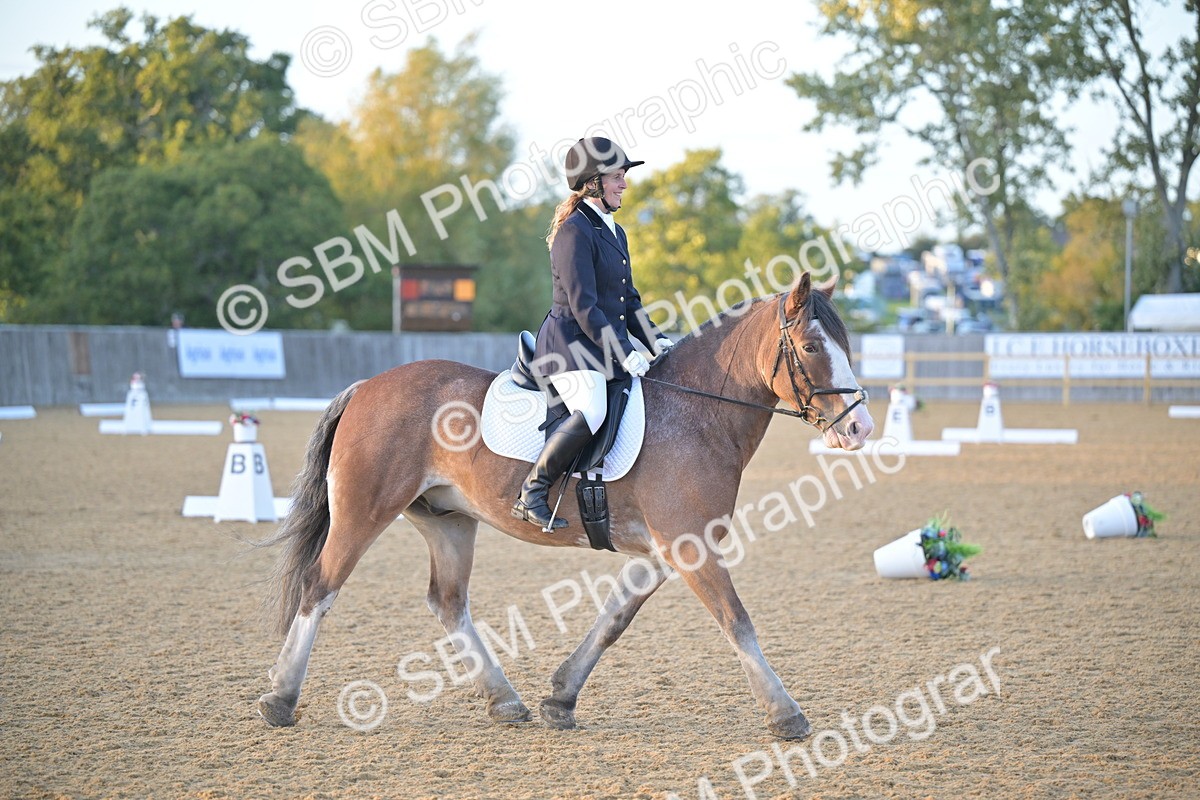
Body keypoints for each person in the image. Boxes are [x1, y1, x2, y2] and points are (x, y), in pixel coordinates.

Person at [511, 137, 673, 530]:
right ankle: (533, 490)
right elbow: (584, 306)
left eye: (623, 177)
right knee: (594, 409)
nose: (624, 185)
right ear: (593, 183)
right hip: (568, 350)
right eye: (617, 177)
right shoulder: (574, 232)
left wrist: (655, 341)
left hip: (600, 348)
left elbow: (628, 299)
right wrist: (624, 352)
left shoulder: (615, 233)